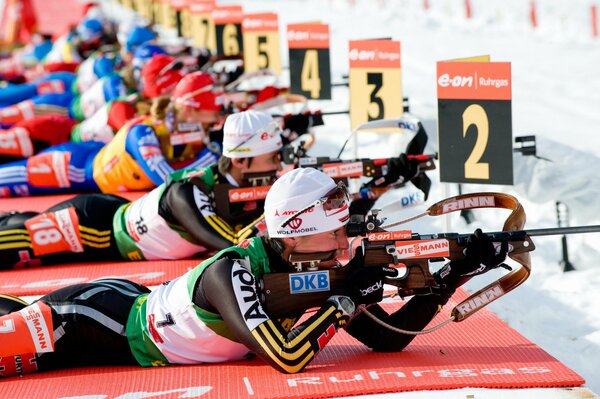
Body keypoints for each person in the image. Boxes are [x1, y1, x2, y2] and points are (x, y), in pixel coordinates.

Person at [0, 167, 508, 377]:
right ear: (293, 233)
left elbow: (387, 339)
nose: (342, 243)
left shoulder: (314, 270)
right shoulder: (231, 272)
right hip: (92, 322)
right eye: (331, 233)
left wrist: (454, 275)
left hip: (132, 296)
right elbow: (286, 358)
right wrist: (346, 296)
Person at [0, 110, 282, 268]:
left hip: (108, 214)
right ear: (241, 161)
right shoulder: (188, 192)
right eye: (272, 158)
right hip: (94, 230)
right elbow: (232, 245)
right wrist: (282, 206)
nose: (278, 165)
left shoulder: (233, 185)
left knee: (16, 225)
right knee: (11, 246)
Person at [0, 70, 222, 197]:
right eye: (215, 110)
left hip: (94, 159)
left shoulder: (191, 128)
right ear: (193, 109)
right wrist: (210, 157)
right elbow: (165, 179)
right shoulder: (143, 132)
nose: (219, 115)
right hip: (75, 167)